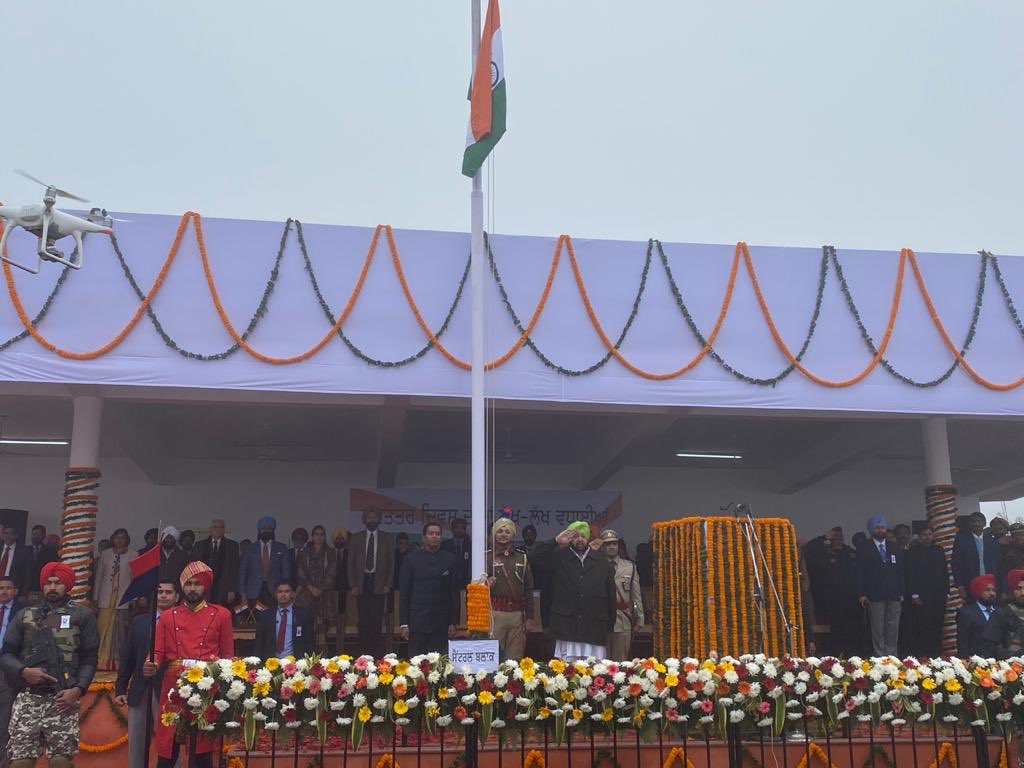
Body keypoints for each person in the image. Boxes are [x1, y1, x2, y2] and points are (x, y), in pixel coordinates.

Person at [0, 561, 99, 768]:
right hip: (29, 697)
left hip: (63, 698)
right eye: (48, 583)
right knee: (20, 763)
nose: (52, 587)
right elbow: (6, 654)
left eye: (58, 582)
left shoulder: (82, 615)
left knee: (60, 762)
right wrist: (24, 671)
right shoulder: (25, 615)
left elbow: (90, 658)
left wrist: (78, 690)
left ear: (67, 585)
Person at [148, 561, 234, 768]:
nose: (192, 588)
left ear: (206, 586)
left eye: (197, 584)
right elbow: (157, 652)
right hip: (174, 684)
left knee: (203, 748)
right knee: (168, 746)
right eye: (188, 584)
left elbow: (227, 656)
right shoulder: (167, 616)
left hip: (207, 685)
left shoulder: (222, 614)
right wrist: (151, 664)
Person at [115, 580, 180, 768]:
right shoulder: (140, 621)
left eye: (168, 592)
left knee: (170, 742)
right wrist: (121, 688)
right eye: (160, 592)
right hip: (140, 689)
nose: (163, 595)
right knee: (137, 743)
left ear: (177, 597)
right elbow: (128, 657)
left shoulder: (181, 621)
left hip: (170, 692)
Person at [529, 522, 616, 661]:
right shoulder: (558, 557)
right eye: (575, 536)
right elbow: (533, 556)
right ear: (570, 539)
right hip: (566, 628)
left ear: (588, 538)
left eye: (583, 536)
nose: (580, 539)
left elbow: (611, 596)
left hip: (594, 628)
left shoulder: (602, 561)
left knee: (595, 671)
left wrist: (609, 626)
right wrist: (556, 541)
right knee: (567, 671)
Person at [398, 521, 460, 656]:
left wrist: (453, 622)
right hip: (416, 622)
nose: (434, 536)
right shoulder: (411, 559)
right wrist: (404, 623)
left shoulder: (450, 559)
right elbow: (404, 593)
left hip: (441, 623)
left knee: (439, 664)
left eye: (438, 534)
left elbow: (454, 593)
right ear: (424, 537)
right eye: (431, 533)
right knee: (416, 663)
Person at [347, 509, 394, 658]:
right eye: (369, 517)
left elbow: (391, 563)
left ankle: (376, 653)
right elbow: (350, 563)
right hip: (362, 582)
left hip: (379, 582)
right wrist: (353, 584)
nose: (372, 520)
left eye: (375, 517)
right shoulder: (356, 538)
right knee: (363, 619)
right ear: (364, 519)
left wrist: (388, 583)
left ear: (379, 520)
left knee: (376, 619)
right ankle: (363, 652)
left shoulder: (387, 538)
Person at [855, 514, 904, 656]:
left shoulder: (893, 547)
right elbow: (860, 571)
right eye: (877, 527)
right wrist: (861, 593)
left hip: (893, 594)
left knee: (893, 627)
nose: (880, 530)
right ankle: (880, 658)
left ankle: (892, 658)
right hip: (874, 594)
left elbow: (900, 571)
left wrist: (902, 591)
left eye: (883, 527)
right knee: (878, 628)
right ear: (872, 529)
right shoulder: (864, 547)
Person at [487, 517, 533, 660]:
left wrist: (530, 617)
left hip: (517, 615)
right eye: (500, 531)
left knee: (515, 657)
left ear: (513, 535)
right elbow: (475, 586)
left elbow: (528, 588)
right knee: (493, 656)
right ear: (494, 534)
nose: (503, 534)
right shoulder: (486, 557)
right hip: (495, 613)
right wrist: (486, 584)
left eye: (507, 532)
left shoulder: (522, 557)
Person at [905, 525, 949, 658]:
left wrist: (947, 591)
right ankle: (922, 655)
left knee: (937, 624)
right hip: (921, 594)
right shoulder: (913, 551)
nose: (927, 537)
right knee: (922, 625)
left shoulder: (939, 550)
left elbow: (944, 571)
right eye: (924, 534)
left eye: (929, 534)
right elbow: (910, 574)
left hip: (938, 594)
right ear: (919, 537)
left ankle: (936, 655)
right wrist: (914, 594)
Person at [93, 528, 133, 670]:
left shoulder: (134, 554)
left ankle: (119, 662)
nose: (119, 540)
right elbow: (99, 576)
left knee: (121, 631)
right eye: (117, 537)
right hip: (106, 597)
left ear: (127, 539)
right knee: (103, 628)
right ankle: (101, 661)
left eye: (122, 537)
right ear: (112, 539)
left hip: (123, 596)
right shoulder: (105, 554)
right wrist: (96, 597)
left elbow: (135, 577)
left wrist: (135, 597)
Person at [601, 529, 643, 661]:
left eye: (614, 543)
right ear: (602, 547)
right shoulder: (596, 566)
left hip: (623, 618)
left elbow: (636, 594)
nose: (611, 547)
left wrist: (640, 617)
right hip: (602, 618)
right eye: (607, 544)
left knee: (621, 662)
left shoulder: (630, 567)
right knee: (600, 663)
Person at [295, 525, 338, 649]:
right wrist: (310, 587)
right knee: (307, 623)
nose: (319, 537)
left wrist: (320, 589)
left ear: (324, 537)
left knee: (323, 625)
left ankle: (322, 653)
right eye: (317, 534)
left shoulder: (330, 552)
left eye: (322, 534)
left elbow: (332, 572)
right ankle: (307, 651)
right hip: (306, 593)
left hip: (324, 594)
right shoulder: (305, 552)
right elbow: (300, 572)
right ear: (312, 537)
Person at [0, 575, 25, 767]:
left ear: (15, 591)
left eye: (8, 588)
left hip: (8, 664)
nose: (4, 591)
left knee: (4, 712)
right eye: (1, 588)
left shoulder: (23, 611)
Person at [239, 516, 289, 608]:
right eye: (263, 528)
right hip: (253, 591)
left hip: (275, 590)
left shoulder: (282, 548)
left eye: (269, 528)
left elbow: (286, 572)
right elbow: (243, 572)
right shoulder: (250, 549)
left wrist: (285, 591)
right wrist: (242, 593)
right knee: (256, 615)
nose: (266, 530)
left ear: (273, 530)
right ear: (259, 530)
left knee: (274, 615)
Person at [952, 512, 1004, 600]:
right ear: (969, 523)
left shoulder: (992, 541)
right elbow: (956, 564)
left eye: (979, 521)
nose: (976, 524)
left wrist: (1003, 590)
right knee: (974, 608)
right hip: (970, 584)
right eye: (973, 521)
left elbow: (1000, 566)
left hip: (991, 584)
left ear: (984, 523)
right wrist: (960, 586)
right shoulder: (961, 541)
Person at [256, 581, 314, 659]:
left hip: (295, 661)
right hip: (271, 662)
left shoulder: (303, 614)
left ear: (293, 594)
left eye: (286, 591)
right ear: (275, 594)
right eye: (280, 592)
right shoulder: (265, 615)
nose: (283, 594)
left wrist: (309, 662)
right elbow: (259, 642)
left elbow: (309, 641)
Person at [193, 519, 240, 607]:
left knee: (221, 610)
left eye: (220, 527)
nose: (217, 529)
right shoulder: (199, 545)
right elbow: (195, 568)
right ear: (210, 529)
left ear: (224, 530)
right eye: (215, 527)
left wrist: (232, 589)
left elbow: (234, 569)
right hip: (204, 585)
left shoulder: (232, 546)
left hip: (223, 585)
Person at [982, 568, 1024, 659]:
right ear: (1012, 591)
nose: (1023, 593)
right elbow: (989, 647)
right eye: (1018, 588)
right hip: (1010, 665)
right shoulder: (1000, 615)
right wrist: (1014, 656)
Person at [956, 573, 996, 658]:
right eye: (987, 590)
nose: (992, 593)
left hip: (1000, 660)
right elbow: (962, 642)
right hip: (976, 661)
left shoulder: (1000, 612)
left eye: (993, 590)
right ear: (978, 592)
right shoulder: (966, 613)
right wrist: (965, 661)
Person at [26, 525, 57, 603]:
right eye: (34, 534)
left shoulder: (51, 551)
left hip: (42, 586)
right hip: (26, 587)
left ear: (44, 536)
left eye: (38, 534)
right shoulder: (25, 550)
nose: (35, 536)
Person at [440, 517, 473, 587]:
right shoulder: (445, 545)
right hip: (449, 582)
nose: (459, 530)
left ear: (465, 529)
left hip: (467, 582)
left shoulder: (471, 546)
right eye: (456, 527)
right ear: (452, 529)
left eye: (462, 527)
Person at [332, 528, 349, 653]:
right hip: (331, 590)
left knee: (344, 617)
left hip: (347, 591)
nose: (339, 540)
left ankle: (342, 647)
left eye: (342, 538)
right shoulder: (329, 553)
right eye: (337, 538)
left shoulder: (350, 553)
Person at [0, 527, 29, 597]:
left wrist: (24, 594)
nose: (8, 536)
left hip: (14, 588)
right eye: (6, 533)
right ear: (2, 535)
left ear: (16, 535)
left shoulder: (24, 551)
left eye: (11, 533)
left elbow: (27, 574)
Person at [634, 537, 654, 622]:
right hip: (650, 585)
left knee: (644, 605)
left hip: (641, 586)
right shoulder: (651, 560)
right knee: (650, 605)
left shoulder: (637, 562)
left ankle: (647, 620)